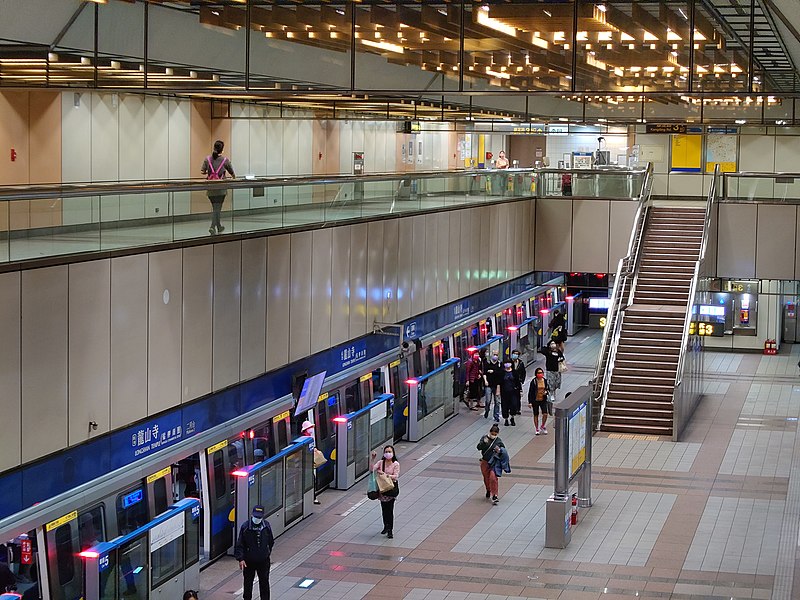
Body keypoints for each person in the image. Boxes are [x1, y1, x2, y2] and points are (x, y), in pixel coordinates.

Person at [234, 505, 274, 600]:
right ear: (252, 515)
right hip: (249, 562)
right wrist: (241, 559)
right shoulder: (246, 527)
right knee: (248, 583)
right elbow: (240, 544)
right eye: (256, 517)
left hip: (263, 561)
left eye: (259, 517)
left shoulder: (266, 526)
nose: (257, 519)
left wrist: (267, 553)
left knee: (264, 582)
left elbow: (271, 541)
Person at [201, 140, 235, 236]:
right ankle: (212, 226)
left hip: (210, 188)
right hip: (221, 189)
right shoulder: (225, 160)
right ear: (222, 149)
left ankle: (219, 226)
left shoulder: (207, 159)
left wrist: (210, 172)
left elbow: (202, 171)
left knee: (215, 207)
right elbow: (232, 173)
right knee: (217, 208)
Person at [370, 446, 400, 539]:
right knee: (384, 509)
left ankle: (390, 529)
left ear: (393, 453)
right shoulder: (381, 463)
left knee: (390, 510)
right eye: (386, 451)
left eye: (390, 451)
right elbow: (371, 470)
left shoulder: (396, 464)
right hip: (382, 489)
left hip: (391, 489)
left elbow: (396, 476)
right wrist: (372, 459)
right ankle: (385, 526)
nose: (388, 453)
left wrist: (385, 475)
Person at [477, 424, 504, 505]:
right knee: (486, 477)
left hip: (494, 462)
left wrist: (499, 451)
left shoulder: (498, 441)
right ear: (490, 432)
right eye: (493, 434)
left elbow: (503, 450)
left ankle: (495, 495)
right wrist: (483, 443)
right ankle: (488, 489)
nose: (494, 436)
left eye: (495, 434)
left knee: (493, 478)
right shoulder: (484, 438)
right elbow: (478, 447)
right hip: (485, 461)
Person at [301, 420, 322, 504]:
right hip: (305, 464)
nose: (311, 429)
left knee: (312, 479)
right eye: (309, 428)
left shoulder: (310, 438)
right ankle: (312, 498)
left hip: (309, 463)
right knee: (311, 479)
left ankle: (313, 497)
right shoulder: (304, 439)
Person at [539, 340, 565, 409]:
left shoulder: (558, 352)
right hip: (550, 370)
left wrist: (560, 359)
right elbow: (542, 350)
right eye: (552, 344)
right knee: (551, 382)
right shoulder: (548, 352)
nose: (553, 345)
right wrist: (548, 347)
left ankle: (554, 391)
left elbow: (562, 357)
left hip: (557, 370)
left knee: (557, 382)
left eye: (554, 343)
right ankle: (551, 393)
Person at [528, 367, 551, 435]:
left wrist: (546, 392)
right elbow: (530, 392)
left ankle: (543, 426)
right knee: (536, 414)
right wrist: (530, 402)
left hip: (543, 399)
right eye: (538, 373)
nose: (540, 374)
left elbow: (548, 389)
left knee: (545, 413)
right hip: (535, 400)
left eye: (541, 373)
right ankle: (537, 428)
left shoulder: (545, 381)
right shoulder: (534, 381)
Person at [482, 351, 502, 422]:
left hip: (497, 385)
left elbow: (500, 374)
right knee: (488, 400)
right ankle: (487, 410)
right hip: (489, 385)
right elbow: (484, 373)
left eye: (496, 355)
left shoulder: (499, 364)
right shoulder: (487, 363)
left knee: (497, 401)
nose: (495, 356)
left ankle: (496, 415)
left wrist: (493, 371)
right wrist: (485, 381)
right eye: (494, 355)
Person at [499, 362, 520, 427]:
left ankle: (512, 417)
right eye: (506, 363)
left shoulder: (514, 372)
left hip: (513, 392)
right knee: (505, 406)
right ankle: (506, 419)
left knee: (514, 404)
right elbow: (499, 382)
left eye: (509, 363)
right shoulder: (502, 372)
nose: (507, 364)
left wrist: (520, 390)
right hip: (504, 392)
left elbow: (518, 381)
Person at [510, 350, 526, 416]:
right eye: (514, 354)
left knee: (518, 396)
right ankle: (511, 408)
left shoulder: (521, 363)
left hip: (518, 382)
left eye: (516, 354)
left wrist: (522, 380)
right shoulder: (509, 362)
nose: (515, 355)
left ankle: (517, 409)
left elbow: (523, 372)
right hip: (511, 381)